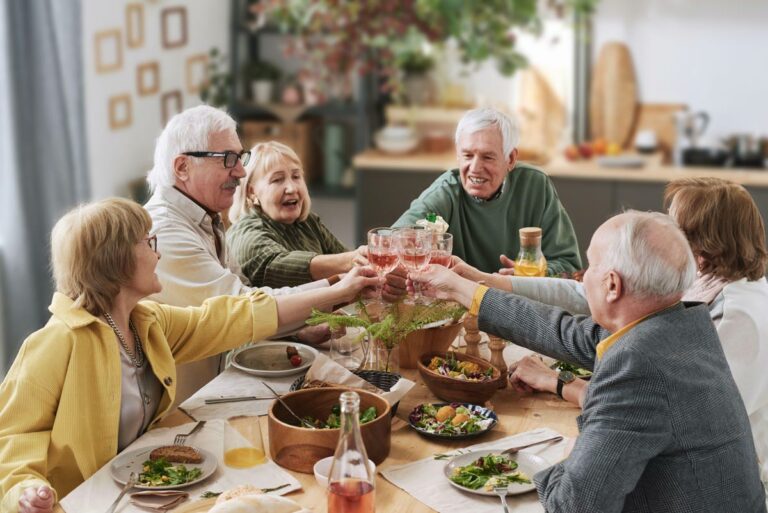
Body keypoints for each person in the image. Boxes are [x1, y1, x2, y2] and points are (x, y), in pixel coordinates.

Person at [0, 198, 379, 513]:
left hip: (145, 494)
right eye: (148, 243)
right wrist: (27, 493)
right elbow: (14, 437)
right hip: (83, 503)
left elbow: (234, 317)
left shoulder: (146, 323)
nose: (158, 252)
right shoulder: (55, 342)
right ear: (117, 260)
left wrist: (336, 291)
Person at [409, 211, 766, 511]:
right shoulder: (682, 324)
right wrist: (458, 286)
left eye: (591, 266)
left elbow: (573, 506)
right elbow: (563, 331)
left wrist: (568, 459)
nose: (585, 275)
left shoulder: (638, 365)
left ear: (612, 285)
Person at [476, 177, 768, 485]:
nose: (663, 233)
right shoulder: (715, 284)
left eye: (674, 227)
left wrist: (559, 383)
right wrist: (495, 284)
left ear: (706, 248)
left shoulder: (737, 318)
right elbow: (585, 296)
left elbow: (658, 415)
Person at [144, 106, 334, 404]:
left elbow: (251, 299)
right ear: (182, 167)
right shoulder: (165, 231)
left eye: (239, 157)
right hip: (174, 415)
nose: (241, 171)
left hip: (204, 398)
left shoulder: (205, 219)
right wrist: (338, 289)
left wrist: (299, 333)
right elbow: (241, 308)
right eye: (227, 159)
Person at [392, 107, 581, 275]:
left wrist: (531, 275)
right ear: (457, 154)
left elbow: (569, 266)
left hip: (520, 301)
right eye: (467, 155)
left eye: (487, 157)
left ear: (511, 159)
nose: (474, 167)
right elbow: (396, 239)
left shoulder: (536, 186)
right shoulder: (444, 194)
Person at [227, 141, 367, 288]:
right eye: (277, 180)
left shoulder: (308, 223)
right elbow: (273, 264)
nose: (291, 188)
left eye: (296, 176)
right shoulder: (245, 232)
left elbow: (351, 265)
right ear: (252, 192)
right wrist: (351, 261)